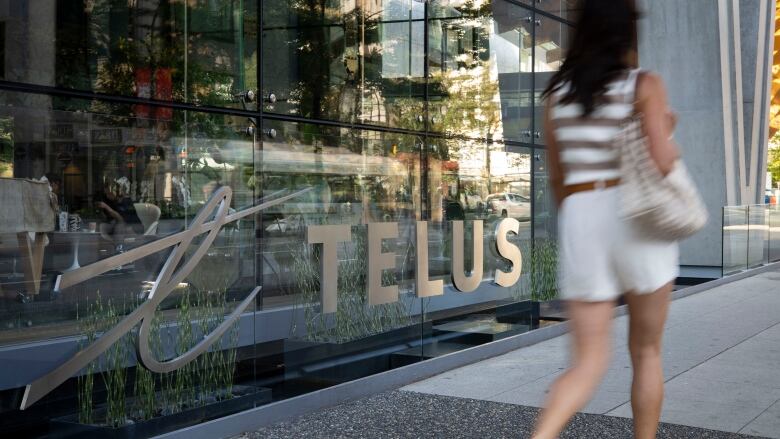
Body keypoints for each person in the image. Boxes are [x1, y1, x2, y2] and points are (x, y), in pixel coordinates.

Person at [532, 1, 680, 438]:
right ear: (626, 33)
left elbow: (558, 178)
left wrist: (584, 218)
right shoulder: (644, 85)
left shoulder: (556, 95)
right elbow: (663, 162)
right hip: (637, 214)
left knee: (587, 362)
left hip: (582, 215)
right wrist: (668, 128)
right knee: (647, 351)